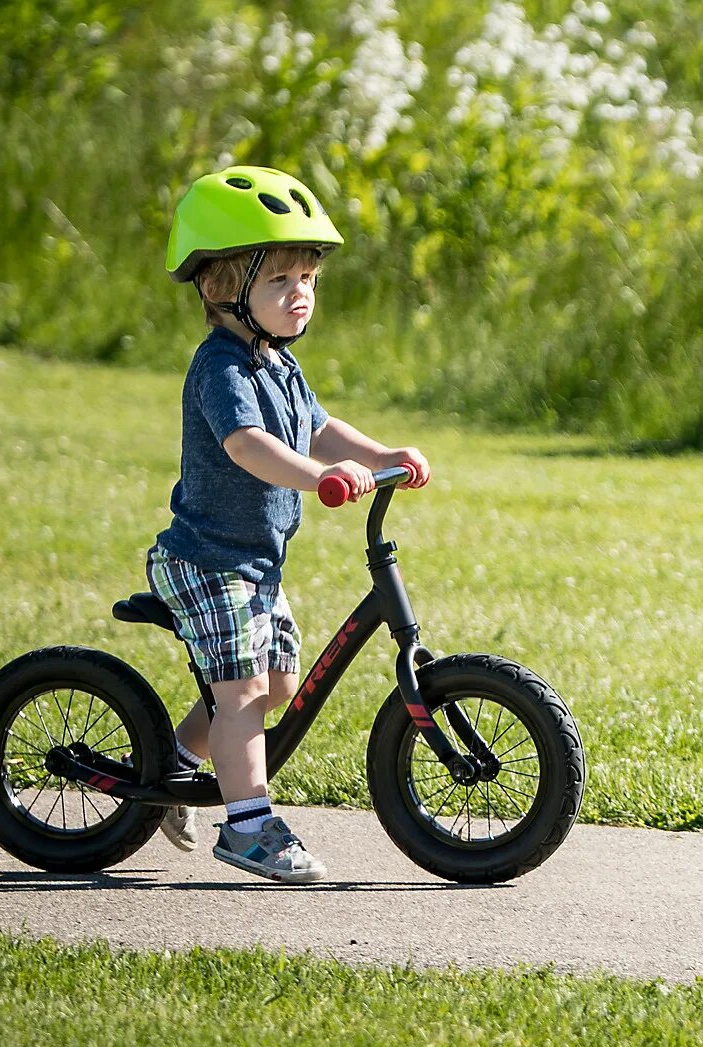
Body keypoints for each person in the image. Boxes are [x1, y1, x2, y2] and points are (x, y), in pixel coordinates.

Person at [145, 166, 430, 883]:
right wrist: (319, 477)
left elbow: (318, 426)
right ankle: (248, 828)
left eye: (307, 277)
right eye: (279, 281)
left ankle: (176, 761)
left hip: (256, 564)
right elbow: (250, 447)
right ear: (219, 289)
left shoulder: (279, 362)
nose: (300, 293)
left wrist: (381, 455)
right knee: (240, 690)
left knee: (274, 682)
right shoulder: (221, 369)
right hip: (207, 559)